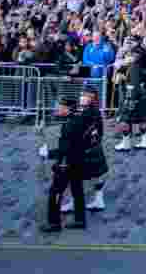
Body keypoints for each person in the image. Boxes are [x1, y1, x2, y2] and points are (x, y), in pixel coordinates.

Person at [39, 96, 89, 233]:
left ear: (67, 109)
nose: (58, 109)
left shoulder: (70, 125)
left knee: (55, 192)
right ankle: (80, 220)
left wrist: (48, 153)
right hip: (77, 162)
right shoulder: (76, 120)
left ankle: (54, 223)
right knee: (77, 191)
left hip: (66, 164)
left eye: (60, 107)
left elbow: (66, 148)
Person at [60, 86, 108, 214]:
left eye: (86, 95)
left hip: (84, 148)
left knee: (74, 176)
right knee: (96, 175)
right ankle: (98, 200)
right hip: (94, 147)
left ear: (92, 98)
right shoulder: (91, 111)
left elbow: (79, 130)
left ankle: (75, 202)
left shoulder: (88, 112)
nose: (82, 97)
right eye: (82, 94)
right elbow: (101, 132)